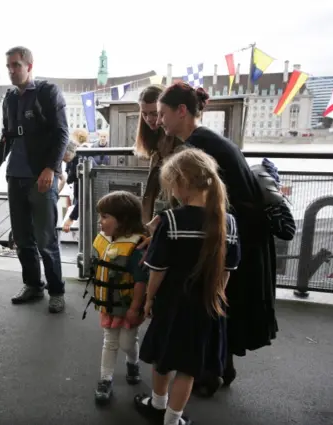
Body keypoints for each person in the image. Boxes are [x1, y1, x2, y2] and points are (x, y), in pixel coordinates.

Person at [154, 82, 276, 391]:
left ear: (182, 111)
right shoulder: (210, 141)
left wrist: (169, 223)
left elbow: (202, 201)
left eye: (163, 113)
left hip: (228, 236)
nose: (159, 121)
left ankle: (207, 373)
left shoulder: (198, 147)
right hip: (240, 233)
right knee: (221, 301)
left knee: (208, 301)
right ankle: (220, 367)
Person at [134, 148, 240, 425]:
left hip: (172, 302)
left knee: (165, 357)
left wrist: (148, 300)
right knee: (189, 367)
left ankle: (157, 404)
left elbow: (158, 270)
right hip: (208, 303)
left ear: (181, 182)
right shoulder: (228, 222)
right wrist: (218, 295)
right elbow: (227, 272)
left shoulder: (171, 220)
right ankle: (174, 419)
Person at [0, 46, 69, 313]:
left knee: (46, 238)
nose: (11, 71)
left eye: (16, 65)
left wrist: (50, 169)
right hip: (15, 176)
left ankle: (56, 291)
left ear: (29, 66)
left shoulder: (47, 93)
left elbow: (62, 133)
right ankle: (33, 284)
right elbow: (6, 136)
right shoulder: (9, 98)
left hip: (40, 177)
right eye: (8, 66)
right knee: (22, 238)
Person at [84, 191, 147, 404]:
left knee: (128, 342)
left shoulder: (136, 247)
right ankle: (105, 380)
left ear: (123, 220)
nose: (100, 221)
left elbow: (140, 280)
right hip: (109, 305)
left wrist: (135, 306)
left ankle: (132, 362)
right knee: (110, 341)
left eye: (105, 216)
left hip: (128, 305)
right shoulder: (104, 240)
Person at [134, 85, 184, 226]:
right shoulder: (155, 141)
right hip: (159, 213)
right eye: (144, 114)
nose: (149, 119)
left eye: (154, 113)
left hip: (170, 216)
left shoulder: (179, 142)